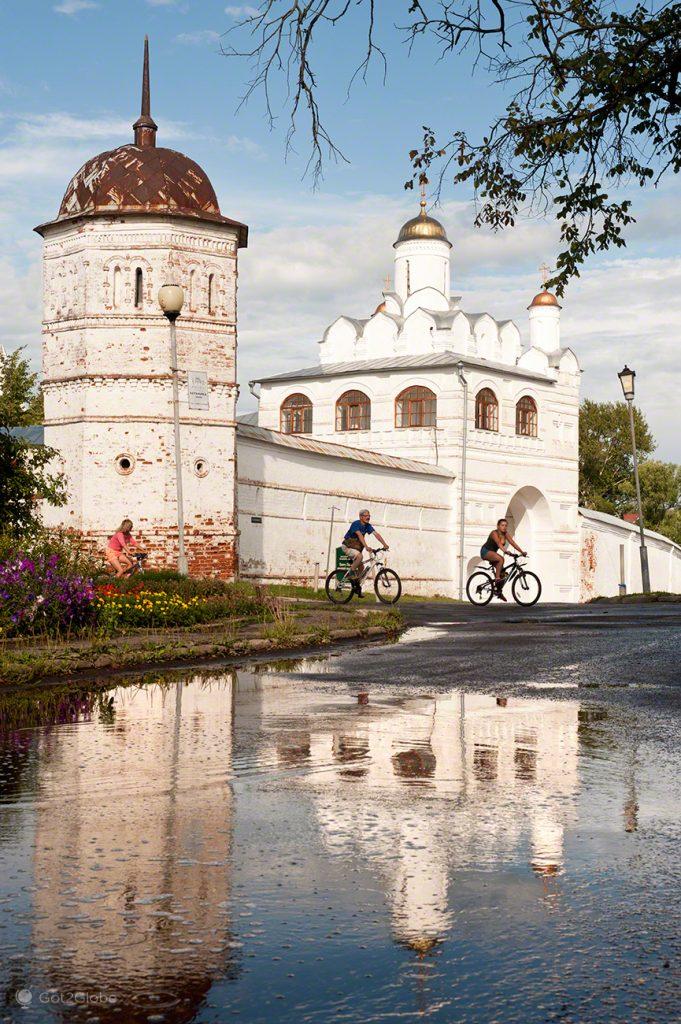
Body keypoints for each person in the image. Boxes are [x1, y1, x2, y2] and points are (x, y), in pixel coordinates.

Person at [341, 509, 389, 597]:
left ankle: (356, 587)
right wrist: (366, 546)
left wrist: (384, 544)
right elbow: (359, 535)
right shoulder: (356, 524)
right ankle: (351, 574)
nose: (368, 517)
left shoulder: (368, 526)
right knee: (360, 556)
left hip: (356, 548)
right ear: (361, 517)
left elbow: (376, 534)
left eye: (369, 516)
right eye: (366, 516)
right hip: (347, 547)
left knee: (361, 568)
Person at [480, 518, 527, 601]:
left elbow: (513, 543)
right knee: (501, 559)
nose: (504, 527)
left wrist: (522, 552)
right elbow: (498, 543)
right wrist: (505, 551)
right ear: (498, 526)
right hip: (485, 552)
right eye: (502, 525)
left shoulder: (505, 534)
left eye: (506, 525)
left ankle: (499, 592)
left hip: (493, 554)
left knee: (503, 574)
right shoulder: (494, 533)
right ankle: (497, 579)